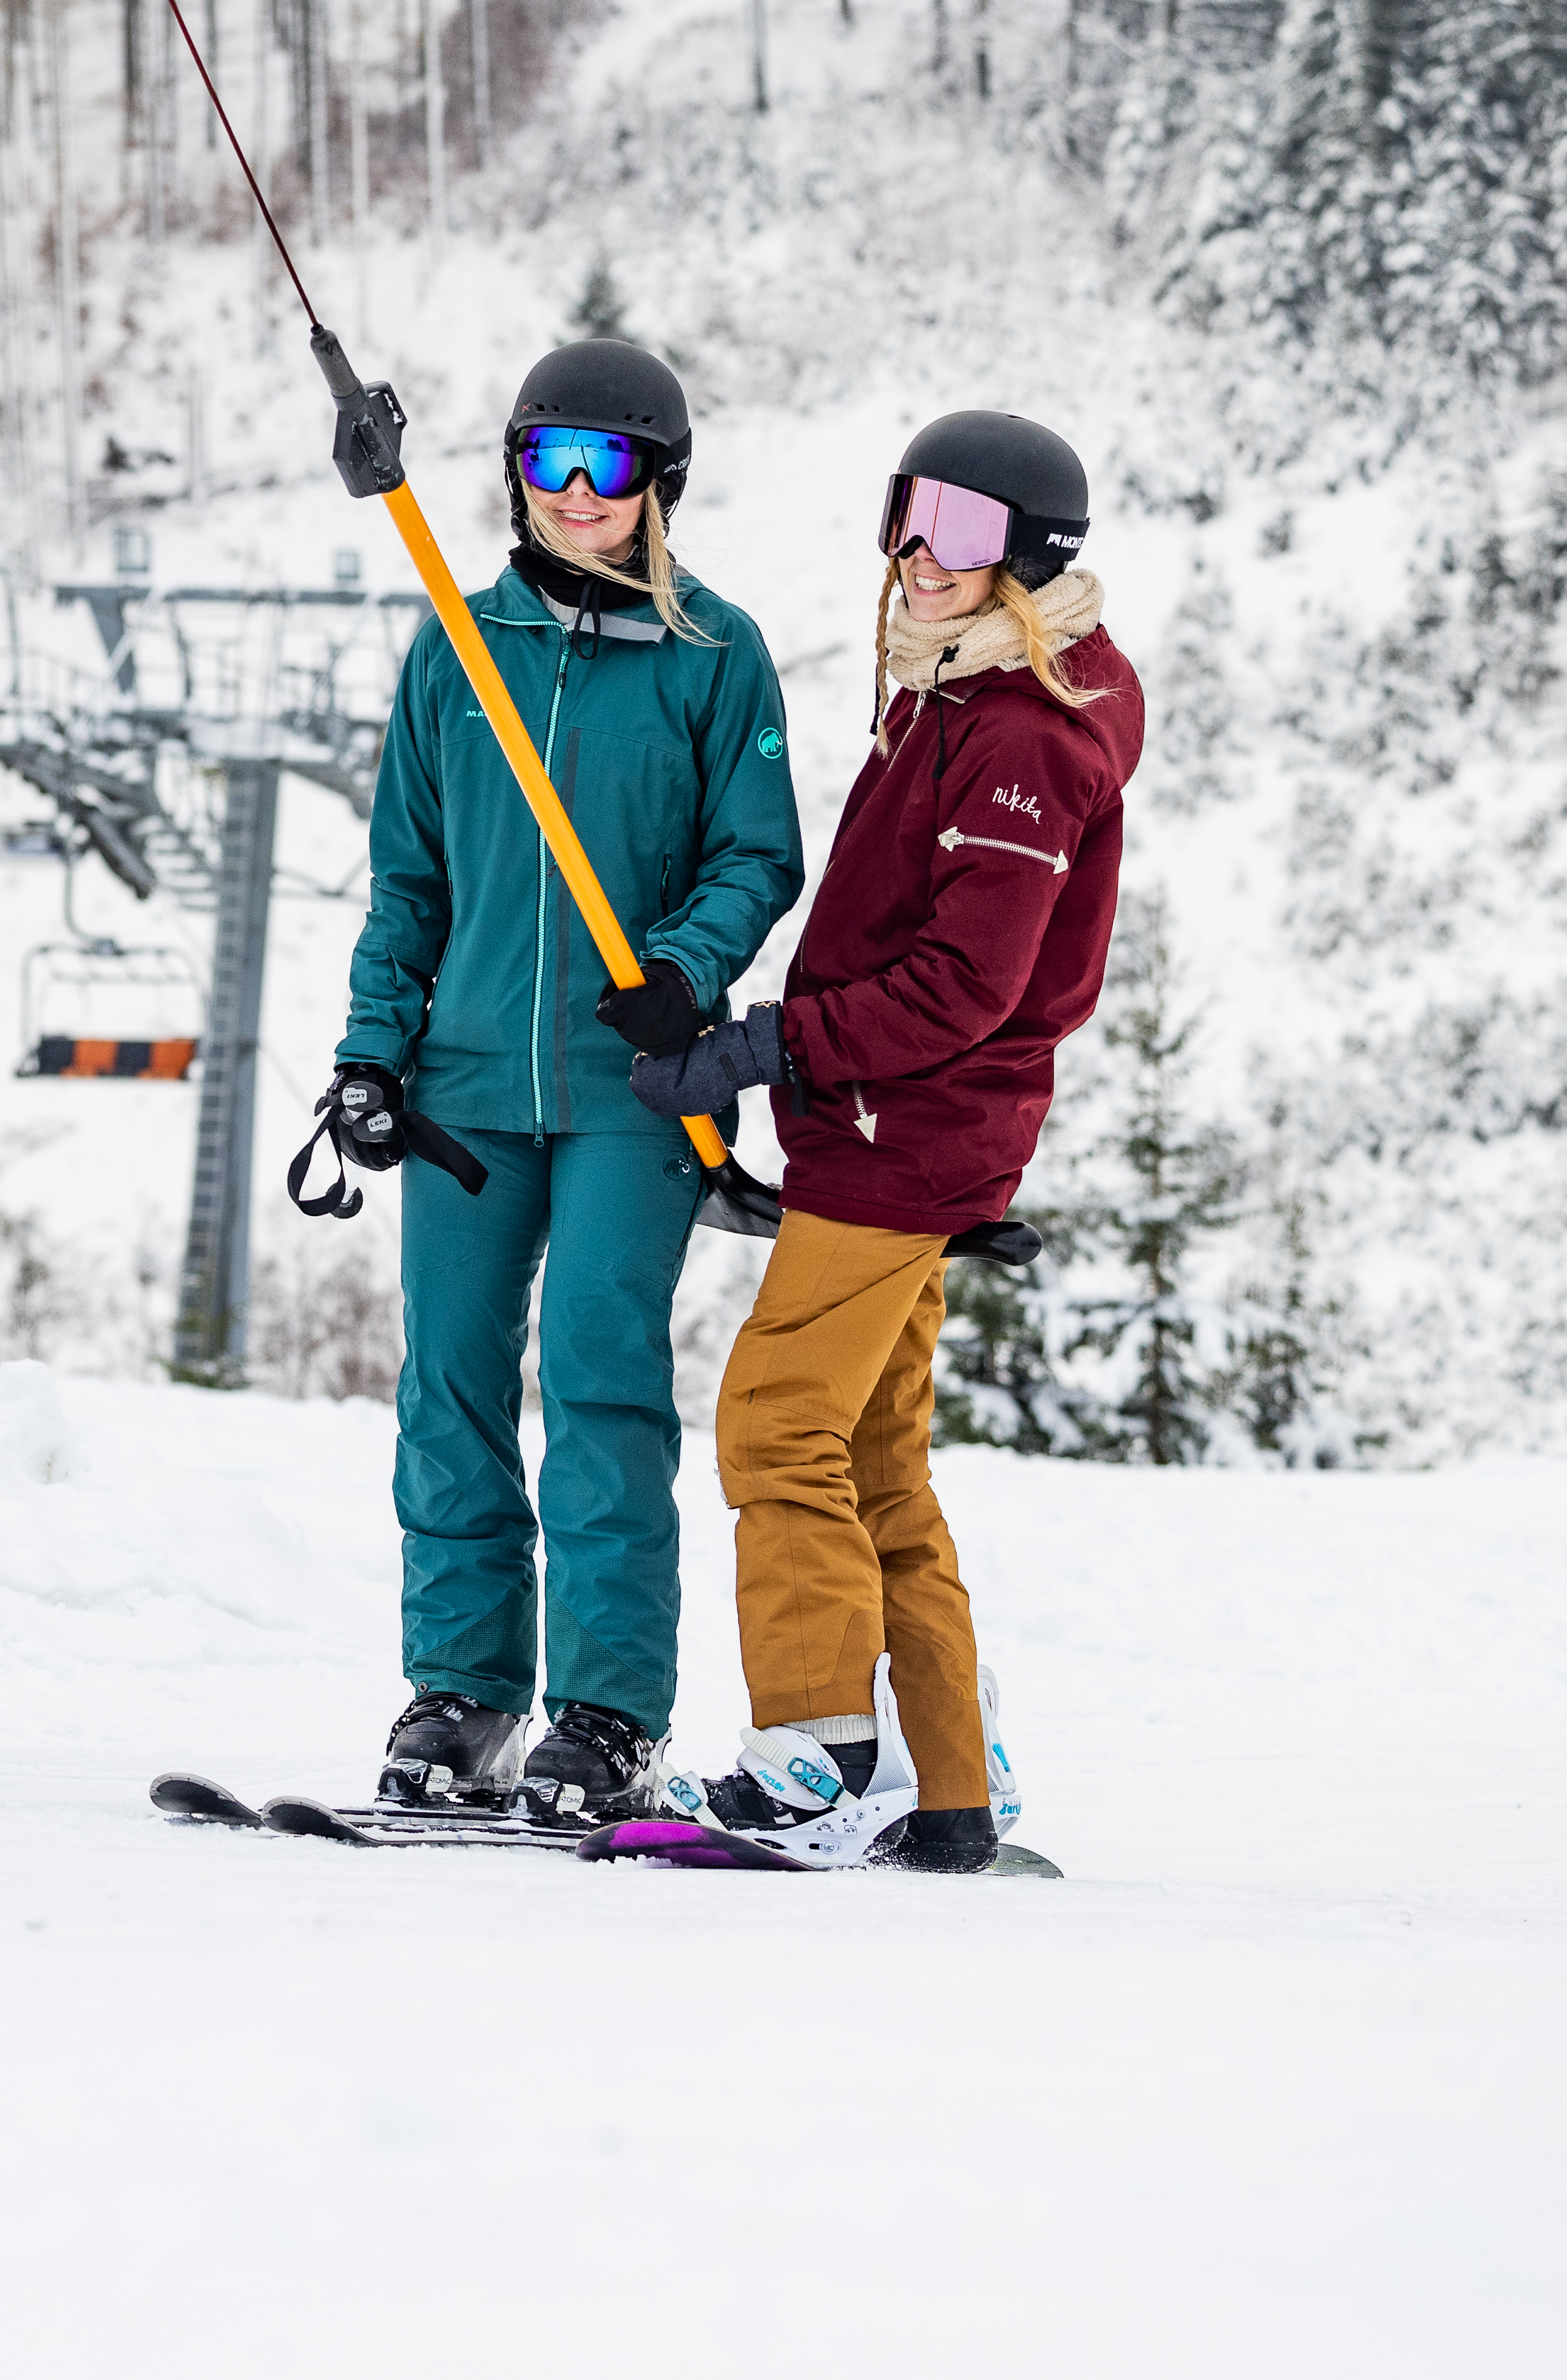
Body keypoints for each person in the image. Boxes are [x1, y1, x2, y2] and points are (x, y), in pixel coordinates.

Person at [621, 409, 1141, 1871]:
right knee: (870, 1457)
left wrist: (772, 1043)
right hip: (901, 1129)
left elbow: (966, 987)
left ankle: (811, 1755)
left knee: (776, 1424)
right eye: (910, 513)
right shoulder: (964, 688)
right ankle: (946, 1774)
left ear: (1033, 558)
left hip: (902, 1134)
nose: (922, 554)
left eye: (964, 532)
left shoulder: (1023, 736)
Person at [316, 339, 805, 1823]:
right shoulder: (458, 652)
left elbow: (756, 853)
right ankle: (463, 1694)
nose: (573, 496)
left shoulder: (718, 655)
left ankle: (604, 1714)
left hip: (628, 1087)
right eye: (545, 464)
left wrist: (685, 960)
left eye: (602, 467)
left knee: (598, 1382)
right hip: (466, 1081)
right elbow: (410, 878)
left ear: (657, 483)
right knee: (448, 1386)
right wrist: (368, 1050)